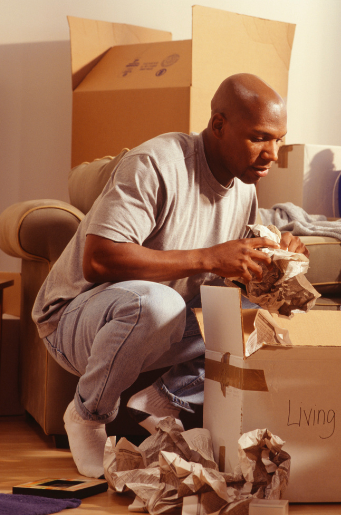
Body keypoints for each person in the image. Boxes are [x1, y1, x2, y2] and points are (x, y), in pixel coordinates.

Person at [33, 73, 306, 478]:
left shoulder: (245, 187)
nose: (272, 154)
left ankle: (164, 398)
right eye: (260, 137)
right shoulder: (156, 163)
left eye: (279, 140)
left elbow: (230, 283)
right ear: (218, 126)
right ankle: (87, 415)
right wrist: (210, 258)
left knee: (270, 312)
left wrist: (274, 261)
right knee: (156, 302)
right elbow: (100, 260)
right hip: (75, 319)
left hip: (161, 325)